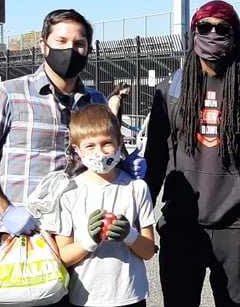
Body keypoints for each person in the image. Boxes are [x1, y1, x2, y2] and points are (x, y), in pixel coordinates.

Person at [0, 9, 146, 247]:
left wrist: (123, 165)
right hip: (27, 238)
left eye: (79, 44)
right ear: (44, 45)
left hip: (84, 240)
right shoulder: (10, 94)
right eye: (61, 41)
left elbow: (102, 161)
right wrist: (4, 211)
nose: (70, 50)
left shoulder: (97, 101)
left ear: (89, 51)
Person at [144, 0, 240, 307]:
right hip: (181, 225)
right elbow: (155, 159)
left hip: (234, 227)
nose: (213, 34)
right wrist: (140, 215)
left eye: (222, 29)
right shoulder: (170, 91)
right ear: (194, 33)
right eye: (205, 27)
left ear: (236, 36)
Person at [29, 103, 157, 307]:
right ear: (77, 150)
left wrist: (129, 235)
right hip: (85, 297)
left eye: (107, 143)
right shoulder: (69, 192)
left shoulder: (137, 188)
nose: (100, 153)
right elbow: (64, 256)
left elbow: (148, 251)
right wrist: (89, 240)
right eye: (90, 146)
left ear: (120, 142)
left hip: (131, 295)